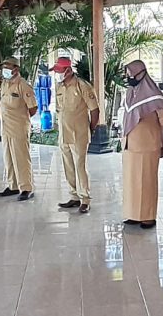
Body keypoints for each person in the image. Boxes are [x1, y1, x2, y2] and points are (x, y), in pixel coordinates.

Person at [121, 60, 163, 228]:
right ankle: (133, 214)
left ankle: (147, 216)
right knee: (132, 181)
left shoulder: (153, 94)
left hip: (148, 145)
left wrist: (153, 131)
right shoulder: (130, 92)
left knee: (146, 180)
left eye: (131, 74)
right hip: (130, 145)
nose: (129, 77)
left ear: (141, 73)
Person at [52, 57, 99, 214]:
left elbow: (95, 110)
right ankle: (74, 196)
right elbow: (59, 110)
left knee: (80, 166)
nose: (57, 74)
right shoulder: (59, 87)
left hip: (79, 134)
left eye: (59, 71)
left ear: (68, 70)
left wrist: (90, 129)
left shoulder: (82, 86)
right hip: (64, 134)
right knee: (68, 166)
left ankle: (85, 199)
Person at [0, 57, 38, 201]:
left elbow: (33, 108)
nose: (5, 70)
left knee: (21, 158)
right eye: (4, 67)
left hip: (19, 127)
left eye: (8, 67)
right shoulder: (5, 84)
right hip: (6, 127)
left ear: (16, 69)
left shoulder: (23, 85)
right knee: (8, 158)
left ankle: (27, 188)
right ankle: (13, 185)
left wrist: (21, 118)